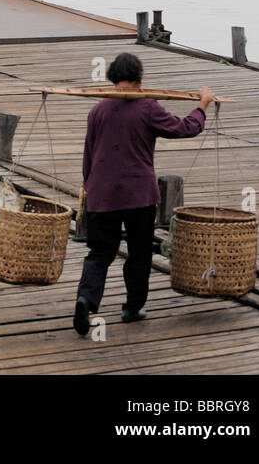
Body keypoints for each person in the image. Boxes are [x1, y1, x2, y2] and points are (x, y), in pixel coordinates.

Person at [73, 53, 215, 335]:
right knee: (139, 253)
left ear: (113, 78)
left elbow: (88, 155)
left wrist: (90, 187)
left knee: (100, 252)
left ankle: (87, 300)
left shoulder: (98, 110)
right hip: (139, 196)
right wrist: (202, 105)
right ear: (139, 79)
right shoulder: (147, 107)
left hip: (103, 194)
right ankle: (133, 307)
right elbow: (184, 129)